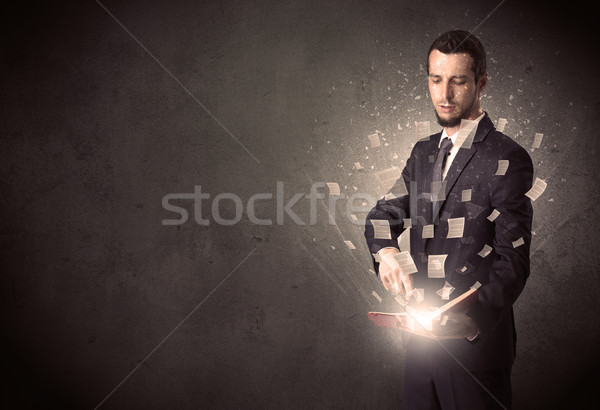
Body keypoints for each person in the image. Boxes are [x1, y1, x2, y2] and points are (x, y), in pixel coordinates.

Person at [364, 30, 533, 409]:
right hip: (420, 350)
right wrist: (387, 252)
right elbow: (382, 213)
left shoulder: (507, 158)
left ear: (481, 83)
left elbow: (514, 260)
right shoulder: (423, 152)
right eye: (436, 80)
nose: (444, 95)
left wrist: (472, 322)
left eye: (457, 81)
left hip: (476, 354)